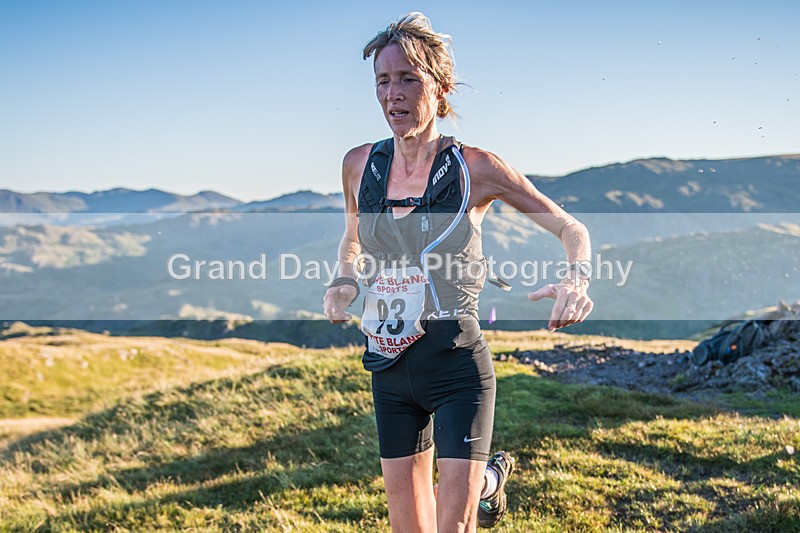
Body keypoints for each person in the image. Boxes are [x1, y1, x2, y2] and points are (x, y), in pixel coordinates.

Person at [323, 12, 593, 532]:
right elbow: (352, 237)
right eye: (383, 80)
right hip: (388, 365)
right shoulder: (358, 164)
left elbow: (570, 227)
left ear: (440, 87)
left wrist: (575, 281)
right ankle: (485, 481)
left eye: (408, 79)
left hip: (456, 366)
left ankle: (482, 482)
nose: (393, 94)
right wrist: (344, 279)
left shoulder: (477, 168)